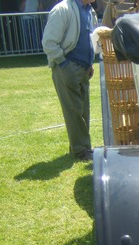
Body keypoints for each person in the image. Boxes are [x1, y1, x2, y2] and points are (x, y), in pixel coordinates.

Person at [42, 0, 98, 161]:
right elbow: (49, 42)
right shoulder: (61, 10)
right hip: (67, 66)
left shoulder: (89, 10)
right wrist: (63, 63)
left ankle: (80, 147)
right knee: (74, 111)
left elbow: (88, 39)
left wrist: (89, 63)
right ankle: (82, 150)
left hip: (83, 68)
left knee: (83, 110)